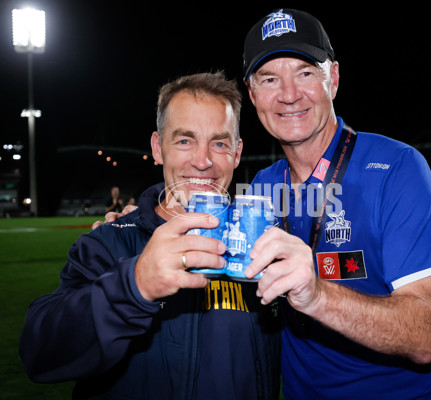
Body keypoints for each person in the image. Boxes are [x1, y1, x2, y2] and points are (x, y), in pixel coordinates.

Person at [19, 72, 282, 399]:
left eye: (219, 143)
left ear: (237, 152)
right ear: (158, 148)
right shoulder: (108, 243)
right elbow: (40, 353)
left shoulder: (264, 247)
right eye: (184, 140)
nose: (203, 161)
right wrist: (134, 285)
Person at [239, 8, 431, 399]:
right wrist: (133, 230)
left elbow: (426, 335)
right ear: (253, 95)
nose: (289, 94)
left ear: (333, 79)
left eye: (305, 72)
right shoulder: (261, 186)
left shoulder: (397, 167)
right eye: (270, 79)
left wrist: (318, 294)